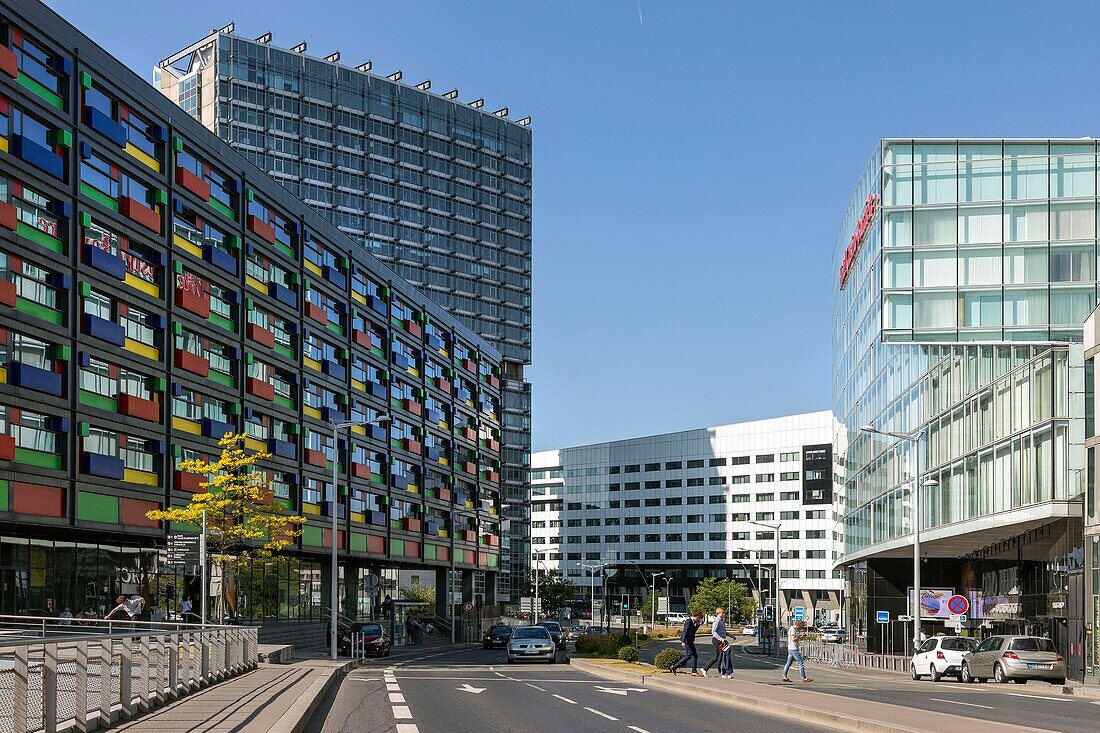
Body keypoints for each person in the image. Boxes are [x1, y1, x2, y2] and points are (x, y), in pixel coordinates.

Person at [668, 610, 704, 677]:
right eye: (699, 617)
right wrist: (683, 641)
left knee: (690, 656)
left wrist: (698, 625)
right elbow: (685, 631)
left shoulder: (693, 622)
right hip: (687, 641)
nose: (699, 619)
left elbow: (693, 631)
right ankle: (693, 671)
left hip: (690, 641)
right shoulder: (688, 621)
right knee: (692, 655)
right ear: (696, 616)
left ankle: (675, 666)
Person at [701, 607, 732, 678]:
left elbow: (723, 631)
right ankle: (725, 673)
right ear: (718, 613)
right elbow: (713, 632)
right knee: (723, 655)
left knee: (717, 657)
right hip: (717, 640)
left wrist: (731, 636)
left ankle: (705, 669)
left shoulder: (721, 621)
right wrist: (721, 639)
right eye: (722, 613)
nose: (724, 614)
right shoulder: (717, 621)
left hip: (721, 640)